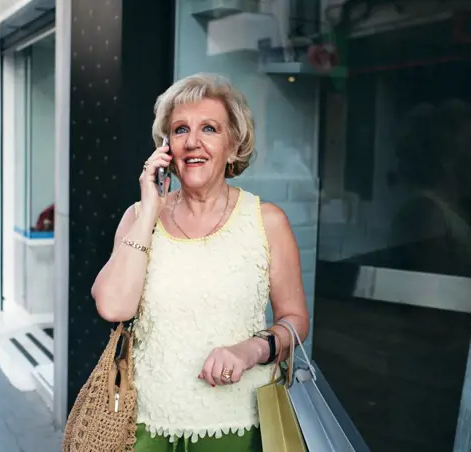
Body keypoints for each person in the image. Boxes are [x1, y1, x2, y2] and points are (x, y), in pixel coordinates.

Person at [92, 73, 310, 451]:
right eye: (180, 130)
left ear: (234, 145)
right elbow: (113, 306)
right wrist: (148, 209)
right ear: (166, 148)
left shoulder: (266, 221)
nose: (192, 141)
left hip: (238, 428)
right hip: (143, 428)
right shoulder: (140, 217)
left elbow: (295, 321)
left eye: (209, 128)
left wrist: (250, 350)